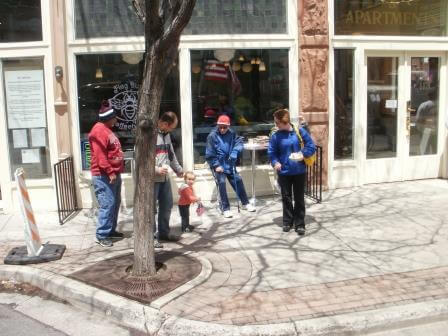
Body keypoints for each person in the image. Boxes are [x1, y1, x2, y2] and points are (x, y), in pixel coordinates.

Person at [268, 109, 315, 236]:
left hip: (299, 170)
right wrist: (275, 162)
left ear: (285, 122)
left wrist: (302, 154)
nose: (276, 125)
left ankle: (300, 223)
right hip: (284, 171)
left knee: (299, 198)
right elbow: (272, 152)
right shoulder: (275, 135)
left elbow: (311, 146)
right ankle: (287, 221)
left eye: (278, 123)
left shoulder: (299, 132)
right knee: (286, 197)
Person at [89, 100, 124, 247]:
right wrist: (110, 172)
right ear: (109, 118)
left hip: (113, 174)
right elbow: (100, 156)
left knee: (115, 204)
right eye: (115, 118)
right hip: (104, 176)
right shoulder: (98, 131)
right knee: (107, 204)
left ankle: (110, 230)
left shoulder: (107, 129)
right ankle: (102, 234)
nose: (116, 120)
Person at [205, 115, 256, 218]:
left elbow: (239, 142)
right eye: (220, 127)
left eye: (225, 127)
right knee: (222, 183)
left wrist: (235, 151)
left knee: (238, 180)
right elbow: (209, 153)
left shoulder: (232, 133)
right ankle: (225, 208)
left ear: (228, 126)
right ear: (218, 125)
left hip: (229, 163)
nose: (222, 129)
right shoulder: (212, 136)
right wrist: (216, 165)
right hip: (218, 164)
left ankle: (245, 203)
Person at [155, 111, 184, 243]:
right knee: (150, 209)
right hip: (152, 179)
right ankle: (150, 238)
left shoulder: (166, 135)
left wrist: (178, 169)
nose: (172, 130)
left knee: (166, 205)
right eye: (172, 127)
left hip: (165, 178)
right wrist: (156, 169)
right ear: (165, 124)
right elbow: (141, 160)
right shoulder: (149, 135)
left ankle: (163, 233)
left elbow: (171, 154)